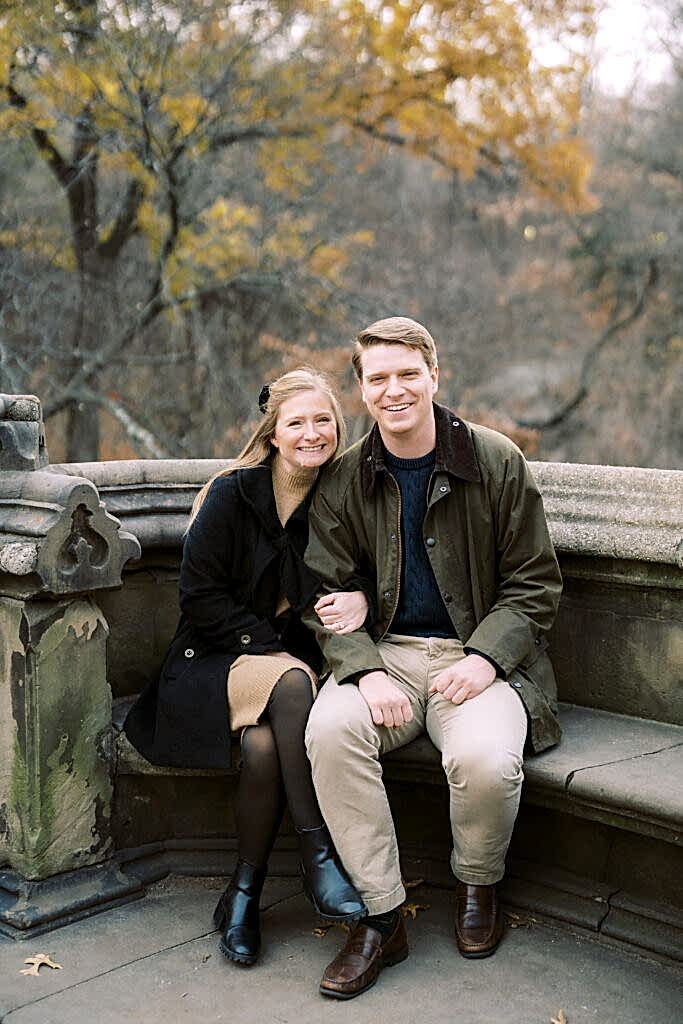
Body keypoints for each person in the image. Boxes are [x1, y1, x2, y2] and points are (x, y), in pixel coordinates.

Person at [303, 317, 563, 999]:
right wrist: (362, 668)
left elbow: (535, 584)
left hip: (478, 657)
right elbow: (326, 594)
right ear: (360, 390)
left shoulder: (495, 460)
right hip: (385, 653)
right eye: (378, 378)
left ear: (433, 377)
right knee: (329, 730)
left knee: (482, 759)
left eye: (407, 374)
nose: (394, 390)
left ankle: (477, 885)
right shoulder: (345, 477)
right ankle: (380, 915)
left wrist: (485, 659)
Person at [124, 368, 369, 967]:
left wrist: (360, 592)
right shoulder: (233, 494)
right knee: (289, 683)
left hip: (290, 669)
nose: (313, 433)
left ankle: (241, 894)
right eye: (297, 423)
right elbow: (199, 596)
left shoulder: (340, 498)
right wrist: (267, 646)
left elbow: (365, 571)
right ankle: (318, 858)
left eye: (324, 421)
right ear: (274, 432)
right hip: (211, 659)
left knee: (263, 748)